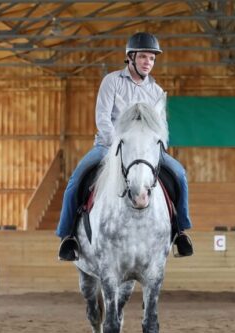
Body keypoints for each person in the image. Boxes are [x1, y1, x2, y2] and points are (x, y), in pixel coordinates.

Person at [57, 32, 194, 261]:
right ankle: (68, 236)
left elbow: (161, 127)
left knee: (179, 175)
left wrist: (157, 145)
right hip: (108, 146)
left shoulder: (156, 92)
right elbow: (102, 118)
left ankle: (180, 232)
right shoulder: (112, 82)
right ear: (130, 57)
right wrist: (117, 146)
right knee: (76, 180)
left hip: (146, 152)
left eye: (151, 59)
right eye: (143, 57)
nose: (148, 63)